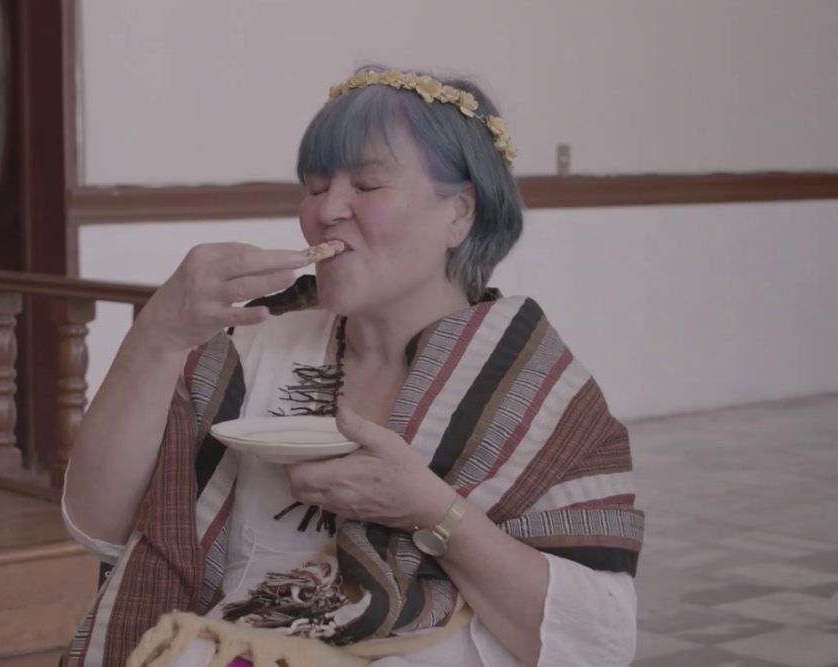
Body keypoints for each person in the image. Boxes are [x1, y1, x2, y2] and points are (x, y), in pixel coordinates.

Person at [62, 66, 642, 667]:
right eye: (314, 186)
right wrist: (158, 333)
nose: (327, 211)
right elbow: (100, 526)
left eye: (366, 185)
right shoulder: (248, 346)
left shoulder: (538, 391)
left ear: (460, 213)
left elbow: (597, 643)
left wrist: (434, 512)